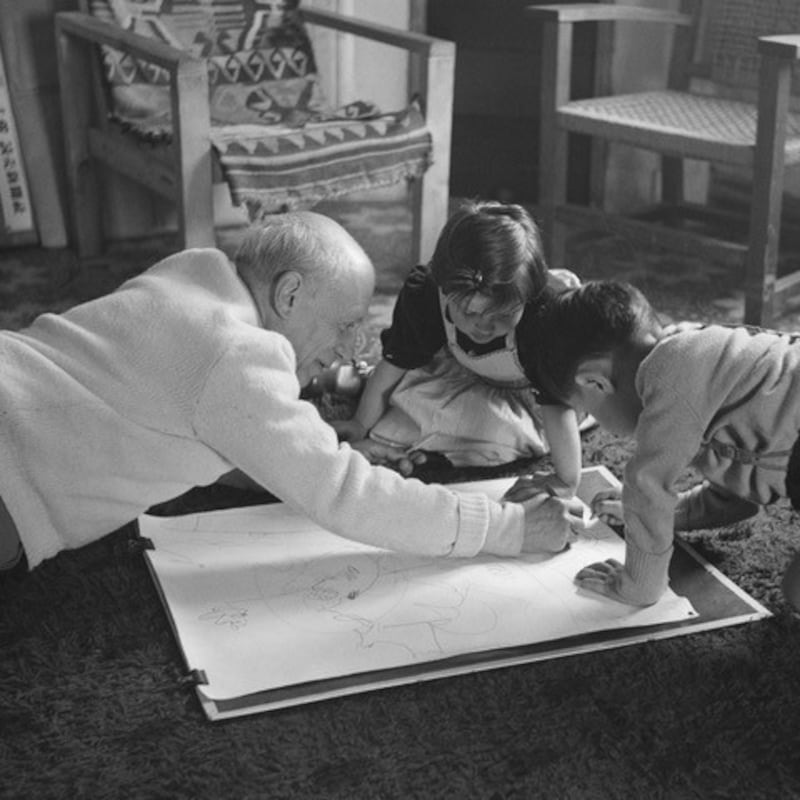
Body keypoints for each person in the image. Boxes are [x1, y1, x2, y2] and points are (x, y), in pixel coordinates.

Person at [0, 211, 586, 574]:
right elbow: (344, 496)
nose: (351, 348)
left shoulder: (190, 271)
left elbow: (194, 429)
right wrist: (509, 527)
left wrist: (302, 448)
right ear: (288, 295)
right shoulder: (237, 358)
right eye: (344, 324)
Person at [516, 278, 800, 610]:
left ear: (595, 382)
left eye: (586, 410)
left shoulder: (669, 372)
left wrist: (638, 585)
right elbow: (738, 496)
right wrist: (677, 511)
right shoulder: (699, 373)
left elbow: (647, 486)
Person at [333, 200, 583, 498]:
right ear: (444, 288)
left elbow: (555, 405)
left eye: (502, 315)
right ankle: (359, 376)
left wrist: (567, 480)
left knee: (501, 436)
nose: (484, 327)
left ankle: (359, 381)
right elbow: (397, 361)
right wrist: (360, 423)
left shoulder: (545, 319)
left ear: (528, 298)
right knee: (399, 413)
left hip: (529, 391)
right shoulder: (427, 293)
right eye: (469, 312)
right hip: (459, 368)